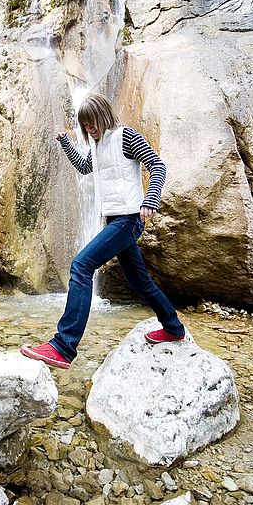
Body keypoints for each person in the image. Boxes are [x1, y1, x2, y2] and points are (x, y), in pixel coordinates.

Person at [20, 93, 185, 369]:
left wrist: (151, 198)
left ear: (104, 114)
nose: (89, 129)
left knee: (81, 266)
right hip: (115, 221)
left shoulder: (126, 137)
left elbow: (157, 165)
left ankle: (63, 346)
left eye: (92, 122)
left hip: (129, 219)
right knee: (139, 282)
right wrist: (66, 143)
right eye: (84, 125)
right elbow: (84, 167)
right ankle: (173, 327)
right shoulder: (96, 147)